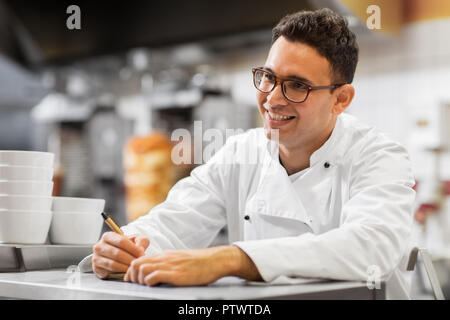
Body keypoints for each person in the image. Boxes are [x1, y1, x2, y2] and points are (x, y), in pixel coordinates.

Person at [92, 8, 416, 299]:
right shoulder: (241, 151)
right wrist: (126, 246)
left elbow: (370, 247)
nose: (273, 98)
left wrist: (231, 258)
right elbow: (174, 221)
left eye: (297, 85)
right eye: (268, 78)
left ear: (341, 99)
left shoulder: (377, 156)